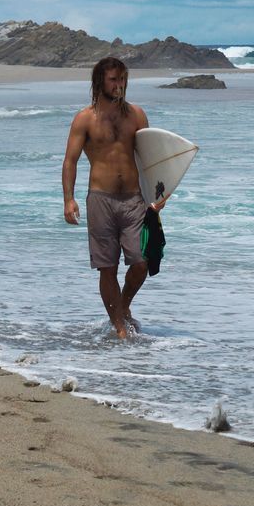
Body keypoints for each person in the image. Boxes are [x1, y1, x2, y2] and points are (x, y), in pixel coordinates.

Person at [61, 56, 164, 338]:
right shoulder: (85, 119)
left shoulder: (137, 115)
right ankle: (120, 327)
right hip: (100, 200)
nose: (119, 85)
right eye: (113, 80)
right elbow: (70, 161)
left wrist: (159, 195)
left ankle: (124, 306)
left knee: (141, 262)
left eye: (122, 79)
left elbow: (150, 158)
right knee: (107, 268)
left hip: (134, 199)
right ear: (99, 82)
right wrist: (68, 199)